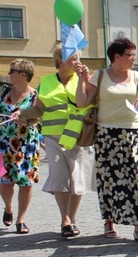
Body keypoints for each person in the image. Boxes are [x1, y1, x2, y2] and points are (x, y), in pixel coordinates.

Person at [76, 38, 138, 242]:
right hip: (106, 134)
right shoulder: (100, 75)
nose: (133, 58)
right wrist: (80, 80)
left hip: (133, 133)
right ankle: (109, 220)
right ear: (116, 57)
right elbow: (82, 102)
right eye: (129, 55)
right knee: (108, 180)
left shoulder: (136, 75)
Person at [15, 47, 96, 237]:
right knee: (60, 177)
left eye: (78, 59)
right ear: (61, 62)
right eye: (73, 59)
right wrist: (24, 113)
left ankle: (72, 218)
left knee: (76, 179)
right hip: (53, 137)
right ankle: (65, 220)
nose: (78, 62)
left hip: (78, 136)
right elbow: (38, 111)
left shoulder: (84, 80)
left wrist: (84, 79)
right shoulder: (46, 82)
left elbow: (89, 103)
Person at [0, 59, 40, 234]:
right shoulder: (3, 92)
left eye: (11, 72)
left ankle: (21, 219)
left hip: (26, 144)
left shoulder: (34, 95)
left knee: (26, 182)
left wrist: (24, 118)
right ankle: (8, 207)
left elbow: (37, 118)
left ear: (22, 75)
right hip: (3, 143)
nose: (9, 75)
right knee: (5, 184)